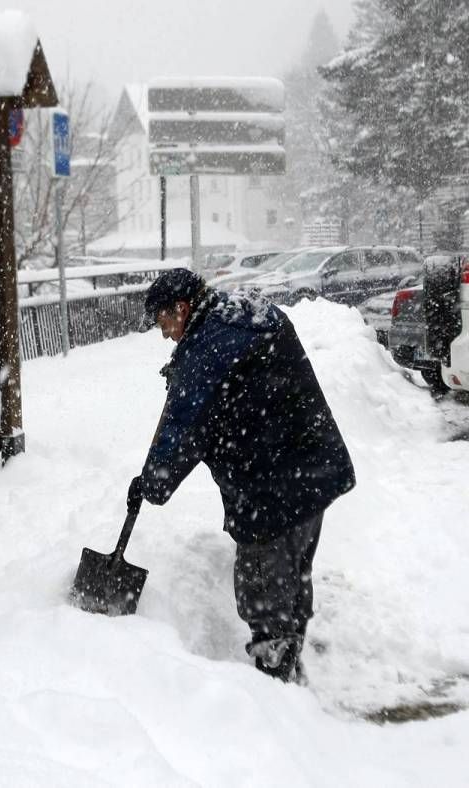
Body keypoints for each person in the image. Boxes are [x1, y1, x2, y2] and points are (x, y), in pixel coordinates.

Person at [128, 268, 355, 683]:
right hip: (313, 471)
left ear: (181, 308)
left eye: (164, 324)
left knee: (263, 591)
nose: (165, 335)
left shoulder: (207, 349)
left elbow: (184, 427)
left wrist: (152, 483)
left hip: (267, 492)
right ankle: (290, 664)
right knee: (294, 573)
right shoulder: (249, 313)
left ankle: (273, 691)